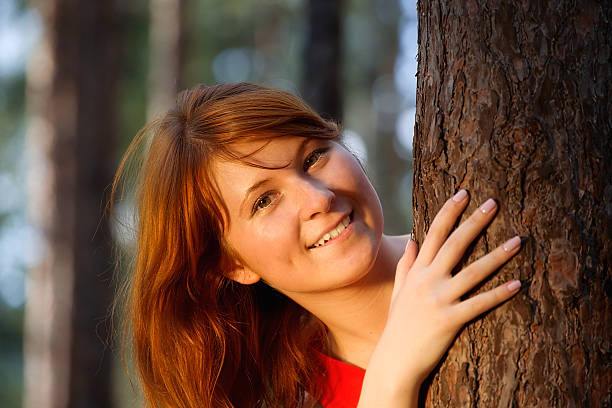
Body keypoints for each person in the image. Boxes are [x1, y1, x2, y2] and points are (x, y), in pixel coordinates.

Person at [111, 82, 522, 407]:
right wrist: (393, 374)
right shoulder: (301, 396)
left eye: (313, 157)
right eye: (264, 201)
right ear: (232, 264)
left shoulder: (491, 236)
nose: (318, 198)